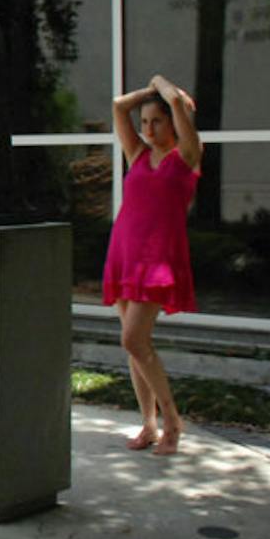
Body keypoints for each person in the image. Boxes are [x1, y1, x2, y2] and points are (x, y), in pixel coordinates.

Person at [103, 73, 203, 457]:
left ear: (173, 123)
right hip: (125, 252)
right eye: (144, 122)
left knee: (133, 339)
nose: (146, 128)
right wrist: (149, 93)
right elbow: (117, 106)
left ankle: (173, 422)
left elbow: (177, 106)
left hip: (158, 259)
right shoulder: (138, 154)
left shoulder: (187, 156)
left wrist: (167, 88)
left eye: (155, 121)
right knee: (134, 347)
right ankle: (148, 423)